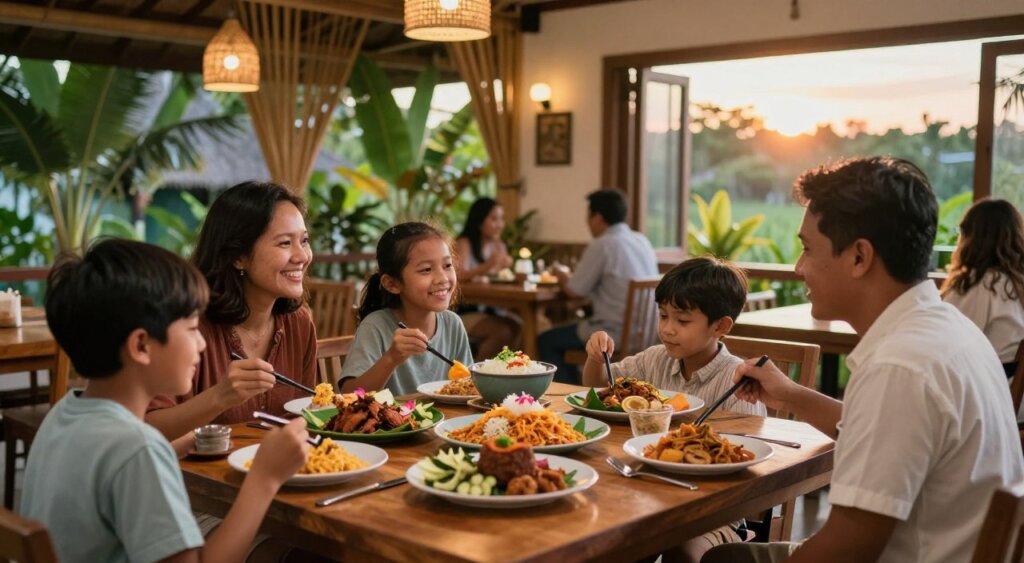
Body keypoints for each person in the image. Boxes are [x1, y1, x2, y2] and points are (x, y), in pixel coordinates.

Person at [703, 157, 1024, 563]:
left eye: (806, 249)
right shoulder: (948, 329)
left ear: (859, 257)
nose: (799, 268)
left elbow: (847, 549)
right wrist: (792, 396)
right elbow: (886, 430)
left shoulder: (899, 365)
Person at [21, 239, 309, 563]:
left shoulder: (65, 415)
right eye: (190, 329)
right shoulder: (138, 450)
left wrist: (174, 449)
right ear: (141, 345)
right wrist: (264, 479)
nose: (201, 343)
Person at [585, 257, 765, 563]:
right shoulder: (655, 360)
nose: (667, 329)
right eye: (663, 315)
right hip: (648, 494)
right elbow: (598, 389)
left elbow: (742, 466)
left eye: (682, 321)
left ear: (720, 326)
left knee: (682, 552)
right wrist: (594, 358)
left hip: (714, 513)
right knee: (608, 541)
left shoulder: (736, 382)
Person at [146, 181, 318, 441]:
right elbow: (147, 429)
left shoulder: (299, 322)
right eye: (284, 243)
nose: (302, 256)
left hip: (280, 474)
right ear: (238, 256)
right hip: (198, 478)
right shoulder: (187, 324)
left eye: (303, 241)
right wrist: (219, 397)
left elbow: (308, 413)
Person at [539, 188, 658, 382]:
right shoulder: (641, 240)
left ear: (597, 217)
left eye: (588, 217)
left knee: (546, 340)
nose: (587, 223)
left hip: (613, 334)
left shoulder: (603, 244)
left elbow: (574, 291)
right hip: (645, 333)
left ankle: (569, 396)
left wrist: (560, 274)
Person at [340, 222, 473, 395]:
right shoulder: (376, 326)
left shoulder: (452, 323)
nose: (442, 278)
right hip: (391, 422)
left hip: (446, 421)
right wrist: (392, 358)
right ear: (392, 284)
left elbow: (469, 386)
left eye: (447, 265)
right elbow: (348, 394)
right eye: (426, 269)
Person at [941, 198, 1024, 378]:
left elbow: (946, 340)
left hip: (988, 389)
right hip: (1013, 391)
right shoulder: (1015, 283)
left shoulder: (978, 284)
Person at [455, 197, 521, 359]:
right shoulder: (464, 243)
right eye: (494, 219)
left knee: (520, 326)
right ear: (479, 221)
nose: (500, 224)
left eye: (501, 219)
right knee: (502, 332)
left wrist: (503, 267)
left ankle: (508, 374)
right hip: (464, 310)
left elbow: (498, 277)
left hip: (492, 309)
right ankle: (476, 378)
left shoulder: (499, 245)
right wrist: (488, 265)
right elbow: (458, 276)